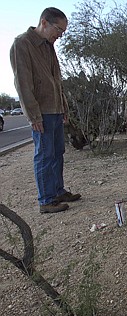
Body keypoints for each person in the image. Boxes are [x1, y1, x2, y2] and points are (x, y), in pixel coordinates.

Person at [10, 7, 81, 213]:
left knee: (58, 152)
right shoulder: (22, 44)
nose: (60, 35)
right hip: (41, 112)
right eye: (58, 30)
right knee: (44, 155)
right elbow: (23, 84)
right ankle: (46, 200)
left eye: (63, 32)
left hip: (55, 109)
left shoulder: (49, 46)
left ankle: (58, 191)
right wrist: (33, 115)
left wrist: (64, 106)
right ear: (44, 23)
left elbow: (56, 80)